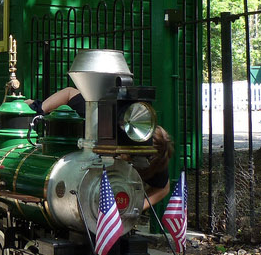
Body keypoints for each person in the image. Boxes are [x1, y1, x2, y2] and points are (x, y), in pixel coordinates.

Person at [30, 88, 174, 216]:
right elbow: (69, 93)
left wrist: (132, 209)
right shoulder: (98, 120)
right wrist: (38, 111)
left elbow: (163, 188)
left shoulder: (155, 155)